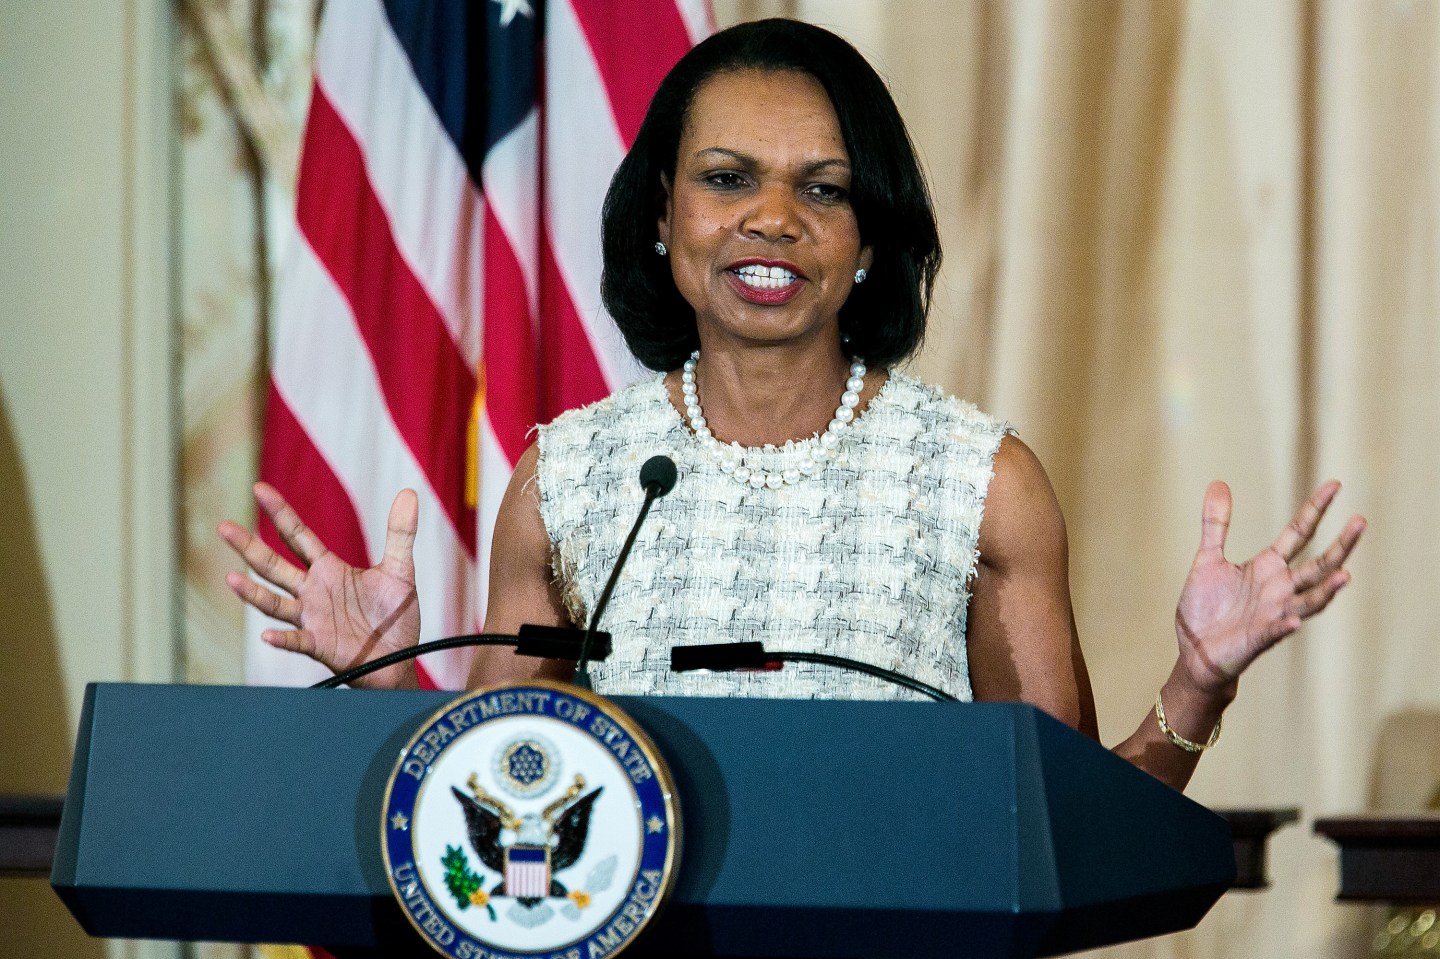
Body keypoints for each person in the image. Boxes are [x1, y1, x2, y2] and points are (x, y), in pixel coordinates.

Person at [218, 19, 1364, 792]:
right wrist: (389, 686)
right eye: (726, 179)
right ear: (661, 215)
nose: (772, 218)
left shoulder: (978, 482)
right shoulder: (571, 481)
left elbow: (1060, 829)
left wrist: (1198, 680)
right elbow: (508, 787)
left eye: (822, 189)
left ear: (868, 241)